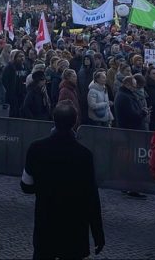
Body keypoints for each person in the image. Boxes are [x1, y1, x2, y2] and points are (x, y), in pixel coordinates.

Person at [21, 103, 105, 259]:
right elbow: (91, 196)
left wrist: (42, 186)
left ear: (53, 120)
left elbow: (26, 186)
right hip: (74, 224)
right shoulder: (84, 155)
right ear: (75, 122)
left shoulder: (36, 148)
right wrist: (98, 233)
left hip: (46, 221)